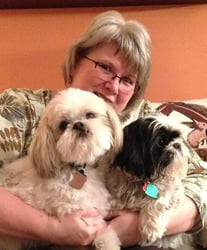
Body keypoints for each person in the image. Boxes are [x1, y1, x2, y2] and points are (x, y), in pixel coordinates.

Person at [0, 10, 206, 250]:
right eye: (105, 67)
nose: (113, 86)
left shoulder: (148, 121)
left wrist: (139, 224)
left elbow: (201, 182)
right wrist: (51, 228)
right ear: (74, 65)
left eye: (127, 80)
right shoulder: (22, 108)